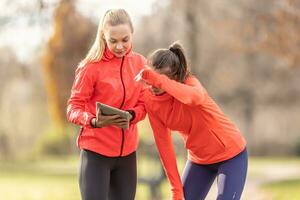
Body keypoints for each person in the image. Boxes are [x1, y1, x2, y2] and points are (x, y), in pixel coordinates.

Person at [135, 42, 248, 200]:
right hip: (199, 160)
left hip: (231, 154)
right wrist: (176, 189)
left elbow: (194, 98)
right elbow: (164, 145)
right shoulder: (150, 99)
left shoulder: (189, 82)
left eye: (158, 79)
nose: (152, 84)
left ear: (174, 77)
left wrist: (157, 80)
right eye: (150, 76)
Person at [66, 9, 146, 200]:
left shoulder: (141, 64)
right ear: (103, 37)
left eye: (125, 40)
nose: (120, 46)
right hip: (96, 155)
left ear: (132, 33)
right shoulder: (90, 67)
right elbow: (73, 108)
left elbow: (145, 104)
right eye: (113, 41)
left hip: (127, 155)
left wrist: (132, 115)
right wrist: (92, 120)